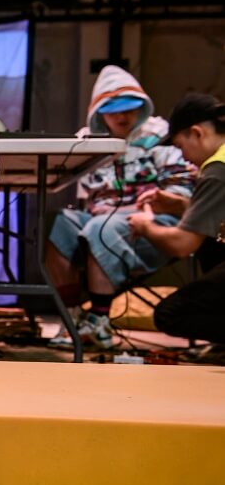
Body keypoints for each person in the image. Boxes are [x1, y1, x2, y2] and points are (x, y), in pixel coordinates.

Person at [45, 65, 194, 349]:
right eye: (113, 111)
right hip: (99, 218)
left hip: (153, 222)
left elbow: (179, 195)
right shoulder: (89, 142)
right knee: (62, 223)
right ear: (99, 112)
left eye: (129, 109)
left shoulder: (161, 138)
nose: (122, 117)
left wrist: (143, 208)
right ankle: (72, 317)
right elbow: (84, 196)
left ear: (141, 107)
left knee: (102, 227)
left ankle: (99, 321)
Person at [128, 93, 225, 351]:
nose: (183, 157)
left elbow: (182, 245)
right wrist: (181, 205)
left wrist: (145, 225)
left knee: (170, 314)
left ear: (197, 133)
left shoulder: (217, 170)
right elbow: (217, 213)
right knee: (212, 239)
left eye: (180, 146)